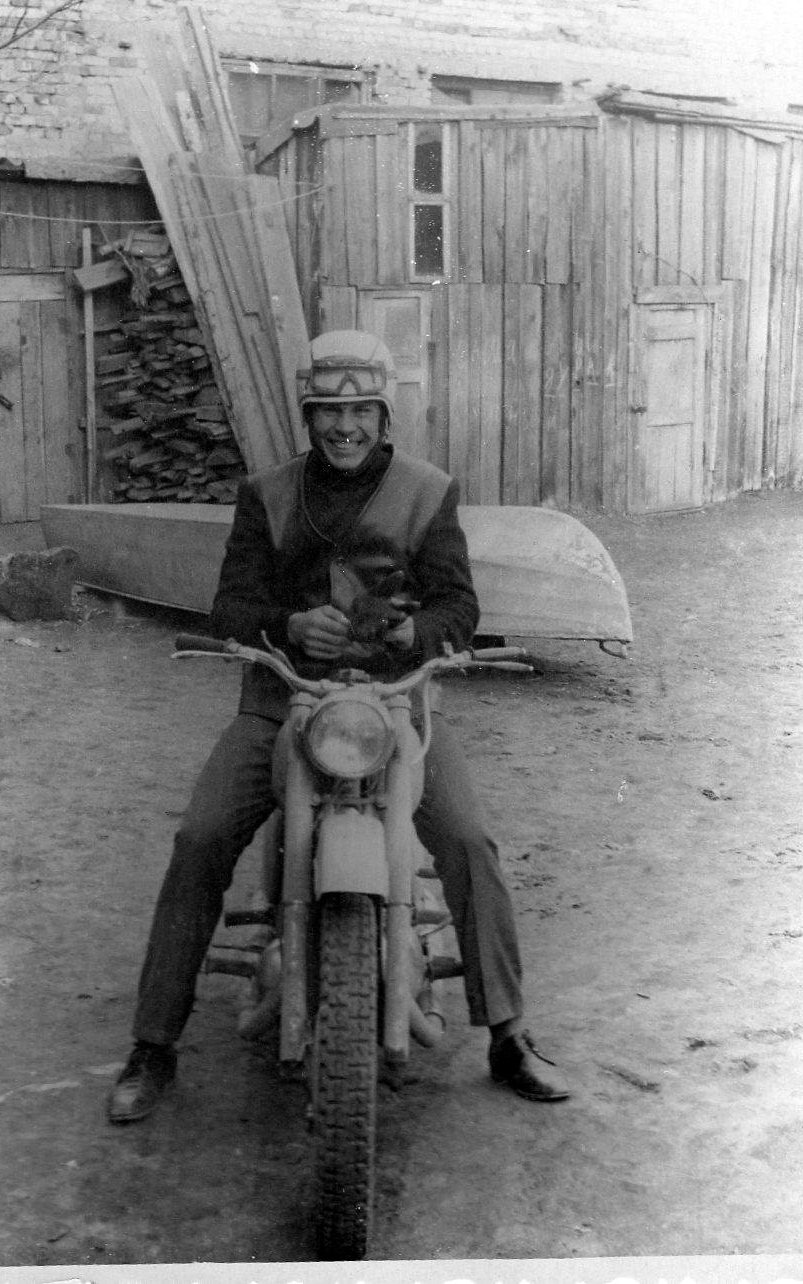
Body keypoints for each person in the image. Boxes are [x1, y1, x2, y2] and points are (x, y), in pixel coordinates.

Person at [108, 330, 570, 1124]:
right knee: (201, 836)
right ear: (309, 416)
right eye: (328, 410)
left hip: (397, 707)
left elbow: (460, 605)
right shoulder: (268, 493)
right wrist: (289, 625)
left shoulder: (429, 492)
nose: (344, 426)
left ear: (385, 417)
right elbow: (232, 605)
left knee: (467, 841)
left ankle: (509, 1033)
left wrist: (412, 636)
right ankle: (154, 1043)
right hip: (283, 703)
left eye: (361, 409)